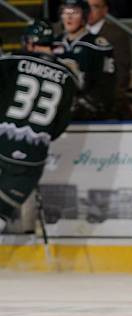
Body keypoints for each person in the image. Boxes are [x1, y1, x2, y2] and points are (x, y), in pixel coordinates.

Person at [0, 20, 78, 233]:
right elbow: (59, 127)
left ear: (31, 43)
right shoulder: (69, 78)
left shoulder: (11, 62)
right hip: (32, 158)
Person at [53, 0, 117, 121]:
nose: (69, 17)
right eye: (65, 12)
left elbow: (106, 84)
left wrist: (86, 104)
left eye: (75, 12)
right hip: (57, 109)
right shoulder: (54, 43)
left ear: (84, 16)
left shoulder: (98, 45)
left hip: (88, 113)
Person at [87, 0, 132, 120]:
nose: (89, 12)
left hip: (108, 105)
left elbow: (121, 72)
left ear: (105, 10)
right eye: (86, 7)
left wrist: (110, 101)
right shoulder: (73, 33)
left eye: (95, 7)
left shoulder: (116, 34)